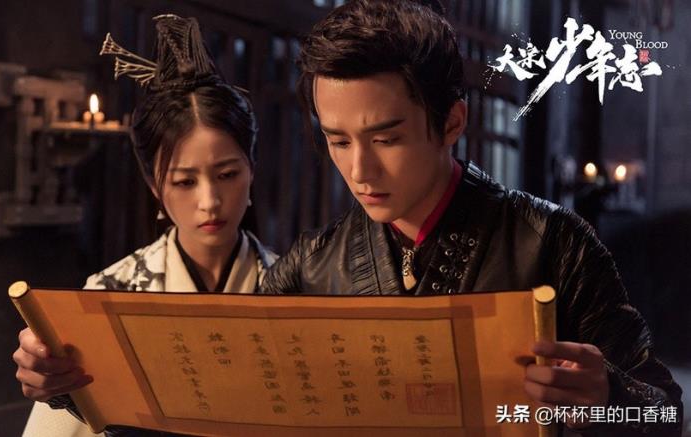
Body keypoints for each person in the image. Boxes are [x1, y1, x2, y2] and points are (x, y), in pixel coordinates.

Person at [259, 1, 683, 435]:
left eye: (386, 139)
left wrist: (608, 397)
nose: (359, 171)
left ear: (452, 122)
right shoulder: (314, 262)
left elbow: (664, 412)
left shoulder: (553, 242)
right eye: (339, 142)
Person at [13, 14, 276, 436]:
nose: (210, 201)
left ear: (252, 170)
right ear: (155, 186)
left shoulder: (292, 285)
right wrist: (53, 383)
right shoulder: (109, 294)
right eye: (185, 181)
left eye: (227, 174)